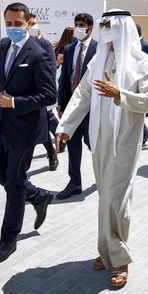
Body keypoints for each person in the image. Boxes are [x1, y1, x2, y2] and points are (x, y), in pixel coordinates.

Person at [56, 9, 148, 289]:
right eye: (102, 24)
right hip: (99, 138)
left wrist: (119, 95)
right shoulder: (98, 60)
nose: (103, 28)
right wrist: (66, 126)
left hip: (124, 141)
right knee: (105, 197)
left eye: (109, 24)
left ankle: (120, 258)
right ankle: (107, 249)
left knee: (117, 198)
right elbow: (82, 94)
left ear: (122, 28)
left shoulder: (141, 61)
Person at [0, 2, 56, 266]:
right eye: (9, 23)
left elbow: (50, 95)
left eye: (18, 23)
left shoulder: (39, 54)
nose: (13, 28)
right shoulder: (3, 46)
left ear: (28, 23)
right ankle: (38, 195)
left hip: (25, 130)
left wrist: (15, 102)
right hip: (2, 125)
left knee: (14, 183)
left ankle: (8, 240)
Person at [56, 13, 97, 200]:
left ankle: (103, 176)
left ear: (91, 28)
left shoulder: (99, 49)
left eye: (82, 25)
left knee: (94, 144)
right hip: (72, 105)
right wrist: (61, 104)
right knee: (72, 145)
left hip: (91, 108)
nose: (78, 28)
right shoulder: (70, 48)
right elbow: (65, 77)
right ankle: (74, 182)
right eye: (76, 24)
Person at [27, 12, 60, 171]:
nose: (32, 26)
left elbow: (52, 69)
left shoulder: (45, 44)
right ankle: (52, 149)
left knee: (45, 121)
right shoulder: (24, 44)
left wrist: (47, 89)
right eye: (30, 23)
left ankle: (52, 151)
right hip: (27, 92)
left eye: (34, 23)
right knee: (40, 123)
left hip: (42, 92)